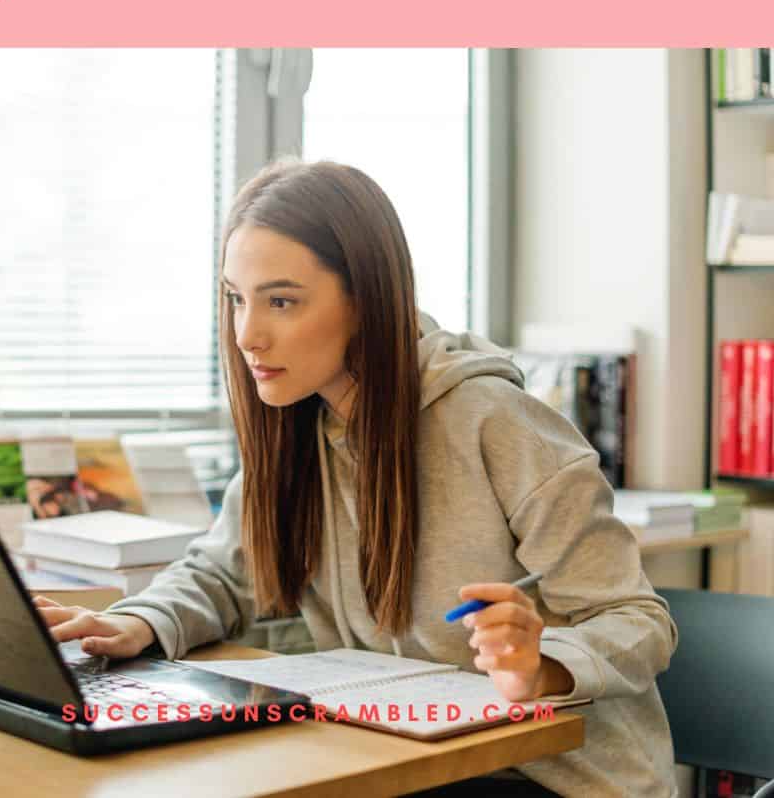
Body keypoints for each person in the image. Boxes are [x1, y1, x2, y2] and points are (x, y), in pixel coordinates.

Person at [36, 159, 678, 796]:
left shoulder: (496, 423)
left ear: (366, 299)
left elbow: (637, 619)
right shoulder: (298, 424)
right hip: (398, 756)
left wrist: (541, 668)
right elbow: (220, 574)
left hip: (550, 774)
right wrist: (139, 623)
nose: (247, 335)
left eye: (281, 301)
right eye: (236, 299)